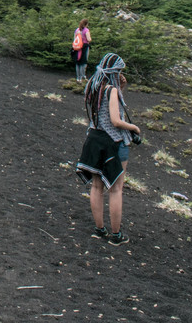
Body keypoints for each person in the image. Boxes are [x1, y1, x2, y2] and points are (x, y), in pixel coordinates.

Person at [75, 53, 140, 246]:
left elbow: (100, 111)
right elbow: (115, 120)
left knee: (96, 186)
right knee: (116, 189)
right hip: (114, 143)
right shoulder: (111, 90)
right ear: (115, 71)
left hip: (94, 140)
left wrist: (121, 87)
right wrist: (134, 128)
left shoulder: (93, 86)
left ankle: (99, 229)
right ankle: (116, 235)